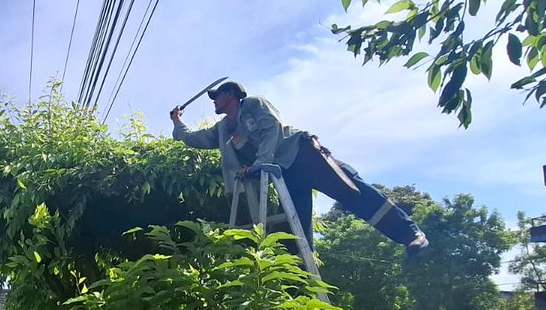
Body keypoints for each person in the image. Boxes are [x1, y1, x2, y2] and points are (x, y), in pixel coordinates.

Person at [170, 81, 428, 257]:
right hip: (286, 175)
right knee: (297, 230)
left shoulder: (254, 105)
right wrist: (177, 121)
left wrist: (260, 164)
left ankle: (410, 234)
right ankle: (304, 285)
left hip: (302, 154)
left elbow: (272, 128)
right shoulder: (223, 128)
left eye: (218, 96)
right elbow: (195, 138)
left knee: (352, 190)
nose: (215, 101)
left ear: (232, 95)